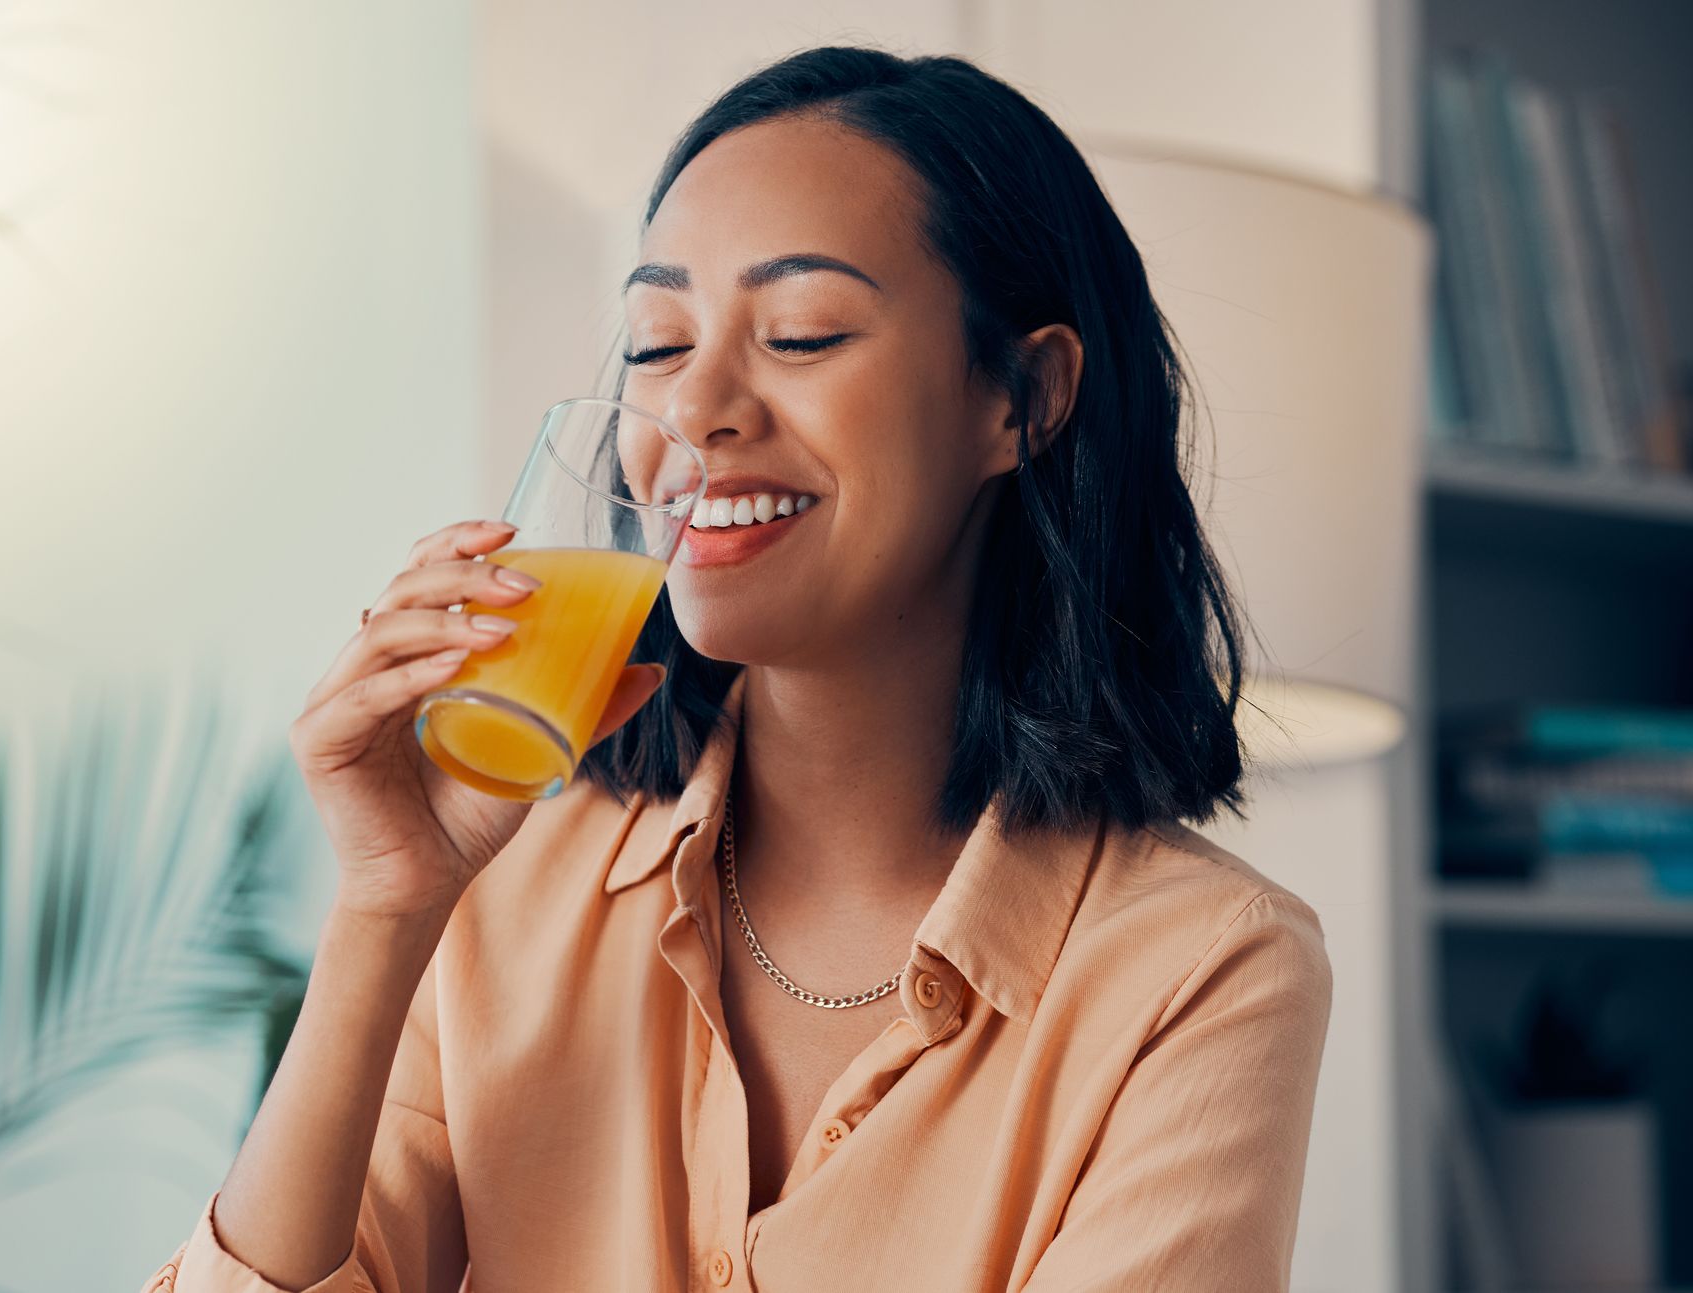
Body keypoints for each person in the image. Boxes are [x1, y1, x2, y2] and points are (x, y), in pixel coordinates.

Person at [143, 44, 1331, 1293]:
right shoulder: (502, 890)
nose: (695, 411)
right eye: (656, 345)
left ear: (1022, 398)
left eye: (803, 334)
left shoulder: (1202, 969)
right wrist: (385, 912)